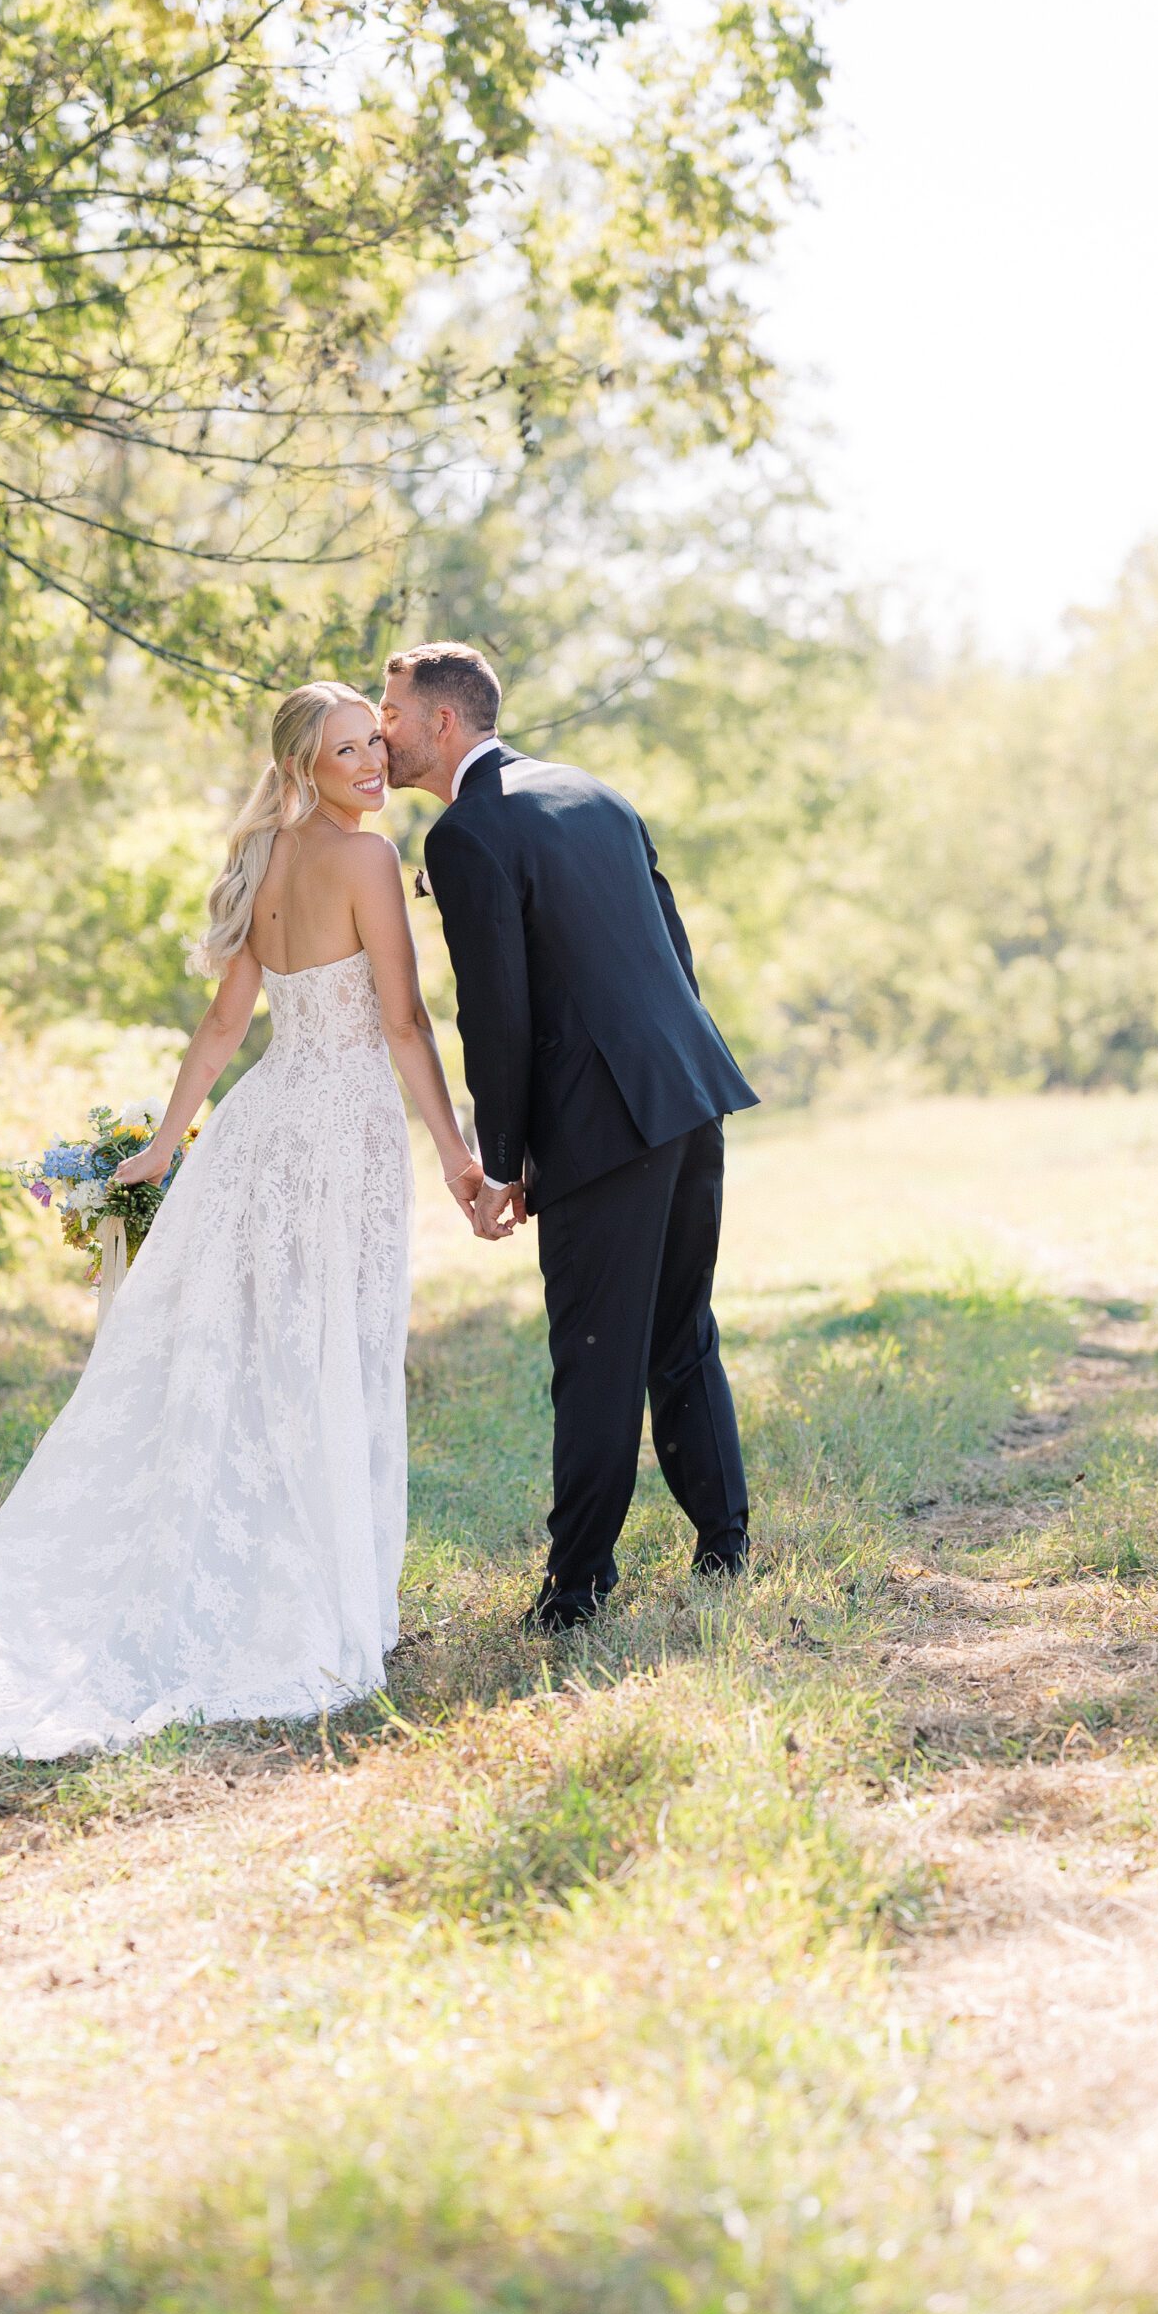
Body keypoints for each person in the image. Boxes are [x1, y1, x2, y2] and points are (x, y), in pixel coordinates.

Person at [0, 683, 481, 1756]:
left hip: (263, 1125)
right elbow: (399, 1020)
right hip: (337, 1131)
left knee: (261, 1354)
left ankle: (279, 1572)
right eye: (344, 752)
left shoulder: (266, 857)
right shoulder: (363, 860)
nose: (369, 765)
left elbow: (222, 1027)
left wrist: (167, 1144)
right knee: (327, 1352)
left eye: (370, 745)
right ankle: (313, 1602)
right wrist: (456, 1151)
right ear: (304, 765)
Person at [381, 640, 758, 1631]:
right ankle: (726, 1546)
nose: (382, 729)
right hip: (688, 1090)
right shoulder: (594, 793)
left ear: (442, 723)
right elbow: (671, 949)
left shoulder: (466, 836)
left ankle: (577, 1587)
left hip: (605, 1124)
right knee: (680, 1333)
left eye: (392, 710)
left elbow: (495, 1015)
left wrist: (498, 1161)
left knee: (594, 1350)